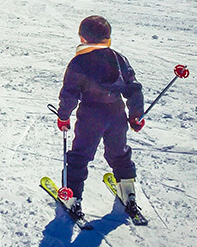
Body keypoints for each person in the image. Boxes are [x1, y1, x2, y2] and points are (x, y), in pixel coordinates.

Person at [56, 15, 145, 218]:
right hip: (116, 114)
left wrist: (63, 116)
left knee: (80, 155)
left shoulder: (79, 63)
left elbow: (70, 92)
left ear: (82, 38)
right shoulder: (119, 59)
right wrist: (135, 115)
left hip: (90, 116)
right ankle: (128, 193)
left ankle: (73, 198)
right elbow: (133, 88)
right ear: (107, 38)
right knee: (119, 152)